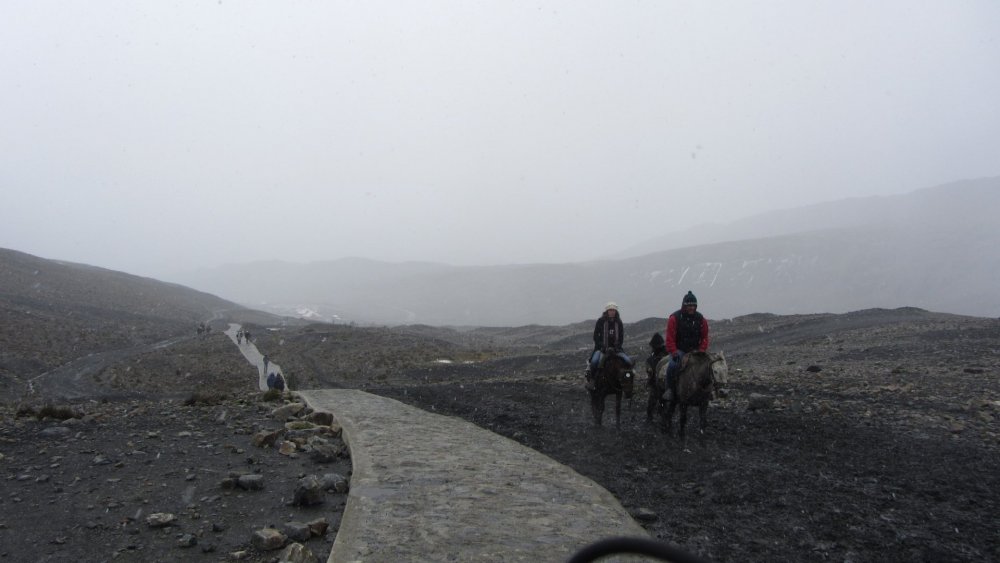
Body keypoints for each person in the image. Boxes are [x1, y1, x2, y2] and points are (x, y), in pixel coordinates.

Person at [662, 291, 710, 401]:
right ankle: (670, 389)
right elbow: (670, 338)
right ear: (684, 305)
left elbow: (705, 337)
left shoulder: (701, 319)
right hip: (680, 350)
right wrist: (674, 352)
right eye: (689, 305)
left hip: (696, 351)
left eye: (693, 305)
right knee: (673, 366)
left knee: (709, 367)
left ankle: (708, 391)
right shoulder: (675, 318)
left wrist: (702, 350)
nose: (691, 308)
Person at [584, 302, 633, 390]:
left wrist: (617, 346)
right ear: (607, 311)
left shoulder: (619, 322)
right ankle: (592, 380)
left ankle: (628, 383)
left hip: (617, 349)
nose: (612, 312)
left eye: (613, 310)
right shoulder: (601, 321)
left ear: (616, 311)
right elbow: (596, 336)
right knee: (595, 362)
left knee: (628, 361)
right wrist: (601, 346)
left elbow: (621, 337)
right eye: (610, 310)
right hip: (601, 349)